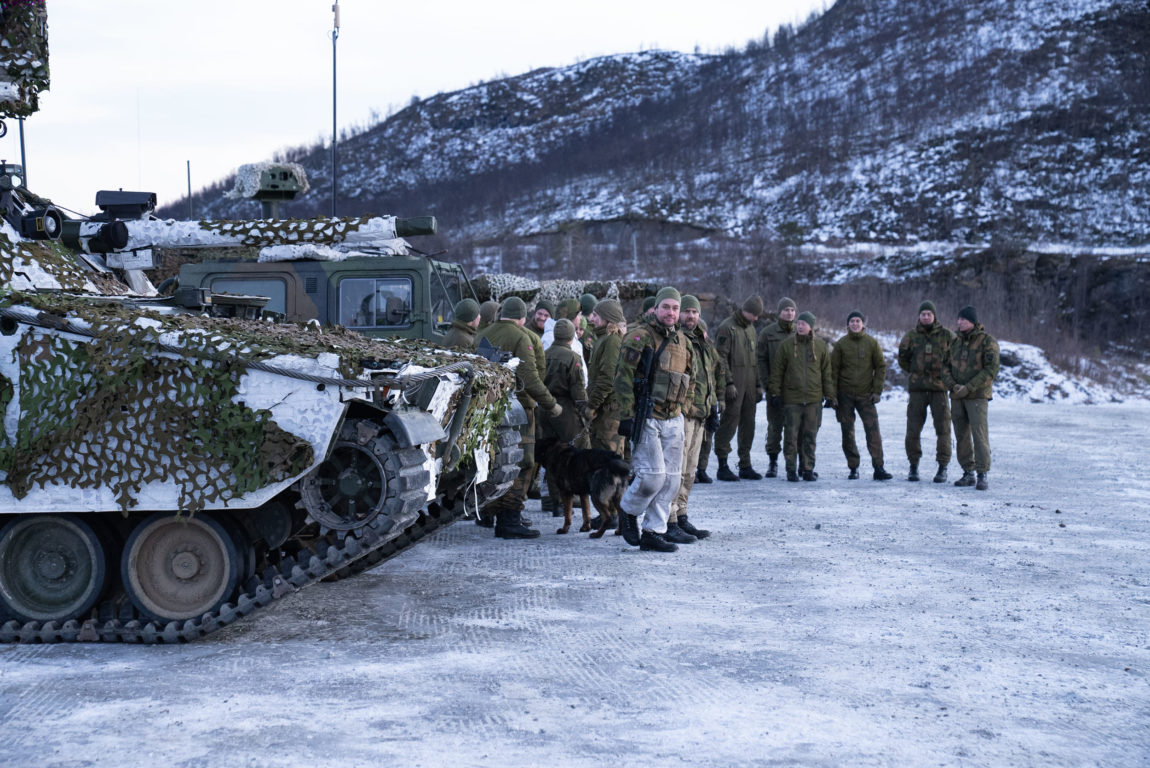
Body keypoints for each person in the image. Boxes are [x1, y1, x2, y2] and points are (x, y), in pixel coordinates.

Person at [614, 287, 693, 553]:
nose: (671, 312)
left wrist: (685, 408)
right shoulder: (639, 336)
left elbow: (690, 379)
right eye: (666, 307)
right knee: (652, 477)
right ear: (656, 308)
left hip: (674, 417)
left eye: (675, 308)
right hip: (647, 415)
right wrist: (626, 414)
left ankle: (653, 532)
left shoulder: (683, 340)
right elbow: (623, 377)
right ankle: (627, 510)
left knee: (671, 480)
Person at [476, 296, 562, 539]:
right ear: (522, 317)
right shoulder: (521, 336)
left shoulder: (484, 333)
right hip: (518, 411)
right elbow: (529, 378)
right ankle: (509, 518)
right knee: (520, 463)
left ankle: (493, 512)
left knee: (495, 461)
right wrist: (551, 405)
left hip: (486, 408)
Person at [667, 295, 723, 543]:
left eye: (695, 312)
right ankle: (668, 520)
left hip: (700, 414)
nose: (691, 316)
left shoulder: (703, 341)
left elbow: (709, 378)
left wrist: (712, 408)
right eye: (687, 311)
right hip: (682, 413)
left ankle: (682, 515)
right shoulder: (677, 339)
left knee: (690, 471)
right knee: (675, 471)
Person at [769, 311, 833, 482]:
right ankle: (791, 469)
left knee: (810, 436)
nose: (800, 326)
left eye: (804, 324)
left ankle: (807, 468)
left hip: (813, 399)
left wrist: (830, 395)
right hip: (792, 399)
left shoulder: (820, 346)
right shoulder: (787, 345)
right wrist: (775, 392)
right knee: (791, 436)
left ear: (811, 326)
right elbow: (777, 371)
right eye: (798, 323)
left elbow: (826, 372)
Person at [942, 305, 1000, 491]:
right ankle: (968, 472)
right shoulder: (954, 342)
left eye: (963, 320)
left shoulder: (987, 341)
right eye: (958, 319)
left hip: (977, 396)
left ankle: (982, 473)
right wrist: (954, 386)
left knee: (979, 435)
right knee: (961, 436)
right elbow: (944, 367)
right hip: (957, 396)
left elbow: (991, 369)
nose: (959, 322)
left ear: (972, 322)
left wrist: (969, 387)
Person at [898, 300, 955, 483]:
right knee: (913, 429)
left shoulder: (948, 336)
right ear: (919, 316)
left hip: (939, 390)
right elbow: (902, 359)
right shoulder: (911, 336)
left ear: (934, 316)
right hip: (917, 390)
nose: (926, 317)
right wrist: (916, 372)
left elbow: (956, 359)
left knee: (943, 429)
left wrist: (946, 376)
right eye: (923, 314)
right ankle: (913, 466)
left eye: (929, 314)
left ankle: (942, 467)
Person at [831, 310, 892, 480]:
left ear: (864, 324)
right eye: (852, 321)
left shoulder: (872, 343)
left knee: (873, 432)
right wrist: (833, 395)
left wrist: (877, 391)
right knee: (847, 433)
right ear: (847, 325)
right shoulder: (841, 344)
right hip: (845, 396)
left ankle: (879, 467)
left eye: (858, 321)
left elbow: (880, 367)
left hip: (866, 396)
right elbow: (833, 371)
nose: (855, 324)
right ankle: (853, 467)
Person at [538, 319, 590, 512]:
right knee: (572, 453)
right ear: (571, 336)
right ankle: (572, 497)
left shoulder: (544, 354)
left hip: (545, 407)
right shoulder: (573, 357)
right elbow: (578, 390)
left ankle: (556, 501)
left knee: (552, 457)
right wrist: (585, 410)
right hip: (566, 410)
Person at [713, 295, 764, 481]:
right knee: (729, 423)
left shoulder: (751, 329)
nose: (757, 319)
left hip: (750, 384)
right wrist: (728, 382)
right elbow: (720, 358)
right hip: (734, 384)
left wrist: (758, 385)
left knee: (748, 424)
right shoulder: (727, 328)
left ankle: (745, 463)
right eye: (755, 314)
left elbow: (755, 360)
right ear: (747, 311)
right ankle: (722, 464)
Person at [756, 297, 797, 478]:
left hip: (796, 391)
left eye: (792, 310)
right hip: (776, 388)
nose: (789, 313)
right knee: (775, 427)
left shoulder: (801, 331)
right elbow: (761, 361)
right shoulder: (768, 333)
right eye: (786, 310)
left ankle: (794, 463)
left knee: (795, 428)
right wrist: (768, 387)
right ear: (779, 312)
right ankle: (772, 462)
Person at [586, 299, 627, 456]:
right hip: (604, 408)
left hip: (609, 410)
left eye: (596, 315)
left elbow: (608, 378)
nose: (592, 319)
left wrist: (592, 405)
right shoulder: (603, 339)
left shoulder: (612, 341)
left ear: (607, 318)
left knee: (609, 458)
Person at [694, 317, 719, 484]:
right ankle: (691, 470)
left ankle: (702, 469)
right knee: (692, 441)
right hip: (694, 402)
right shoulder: (690, 348)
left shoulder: (710, 349)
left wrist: (716, 402)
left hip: (709, 399)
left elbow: (716, 374)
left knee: (707, 438)